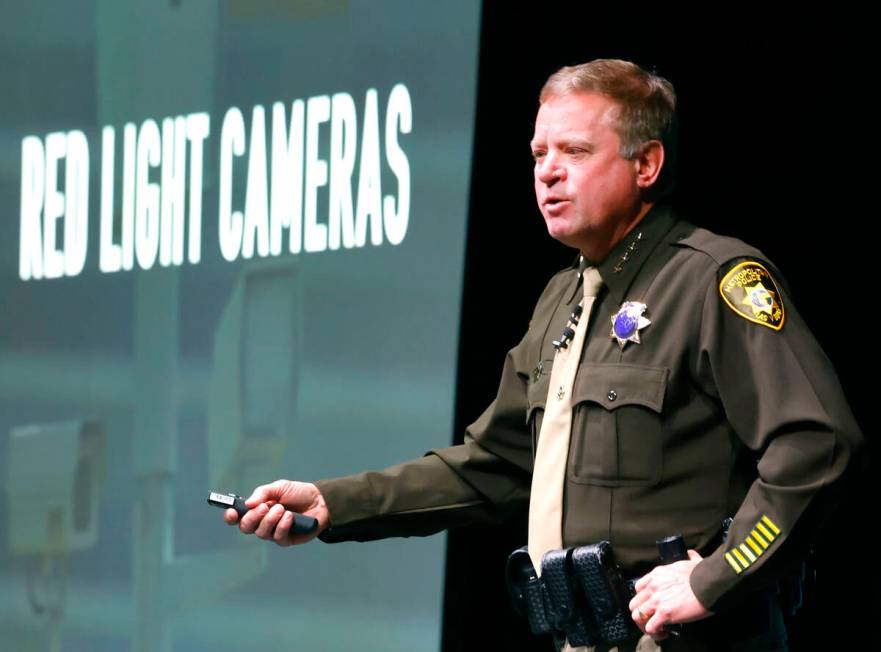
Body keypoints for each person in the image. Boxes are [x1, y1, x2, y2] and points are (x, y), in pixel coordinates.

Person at [223, 59, 862, 651]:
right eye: (539, 153)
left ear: (647, 165)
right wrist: (334, 504)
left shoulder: (714, 279)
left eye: (574, 151)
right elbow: (492, 466)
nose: (547, 170)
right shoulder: (564, 298)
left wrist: (716, 577)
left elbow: (817, 446)